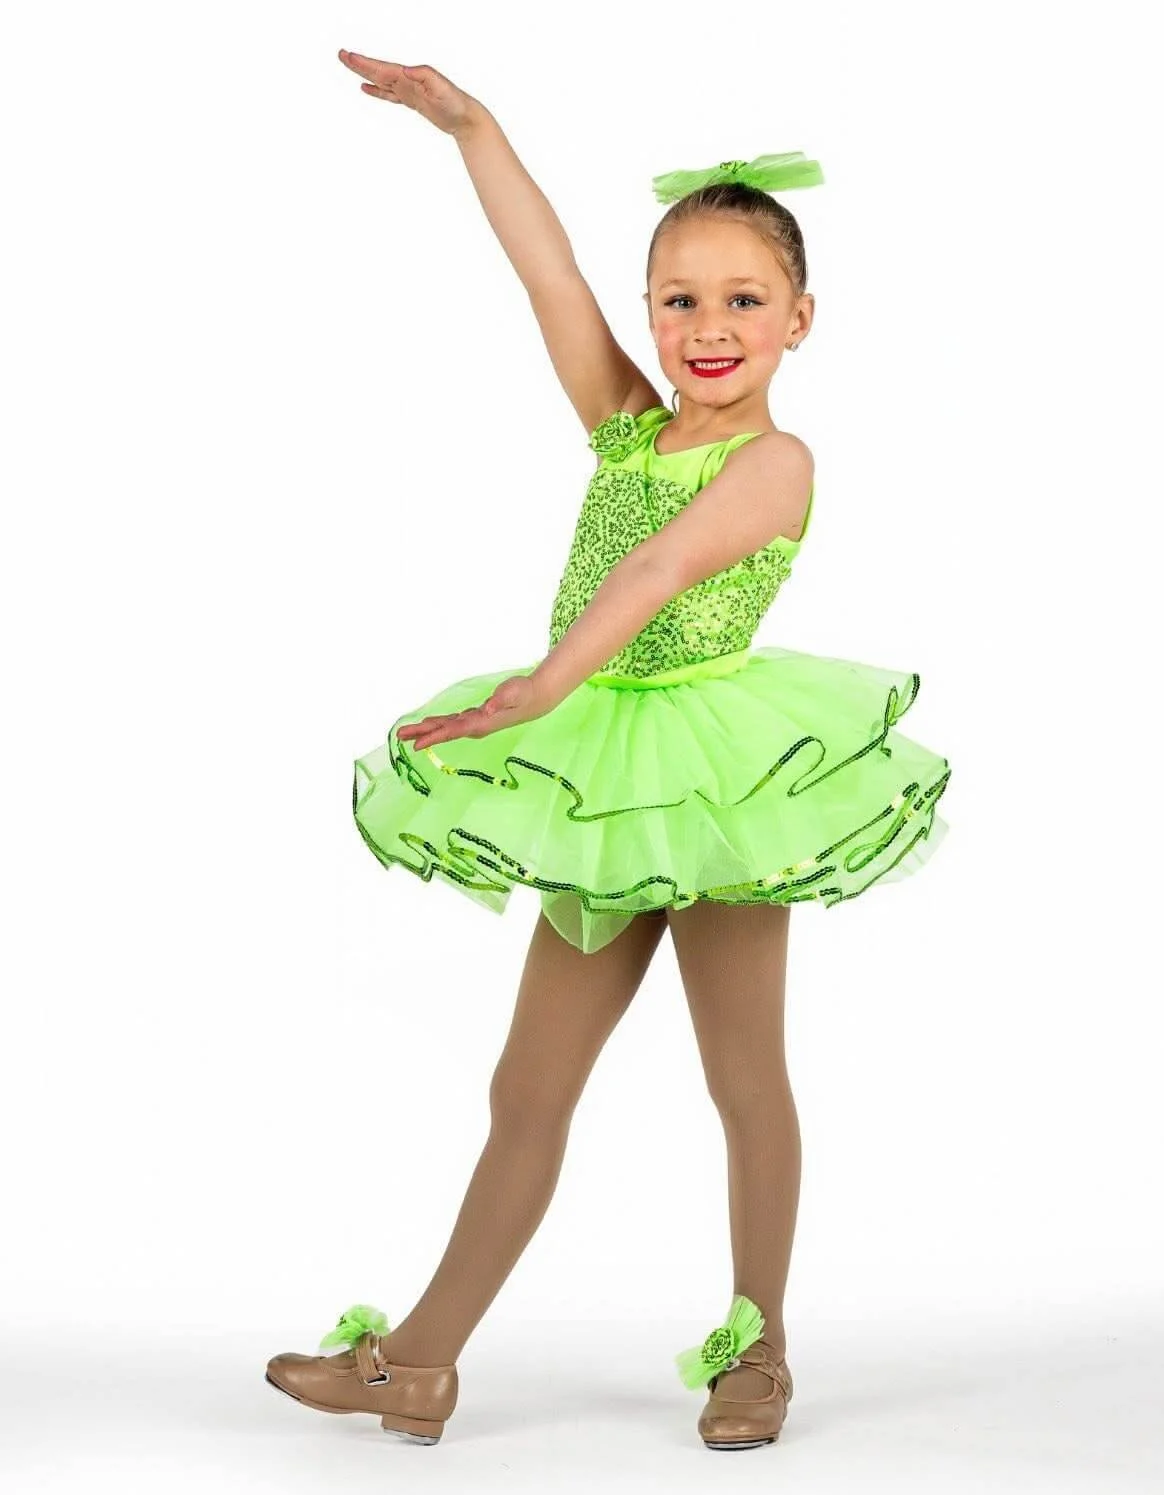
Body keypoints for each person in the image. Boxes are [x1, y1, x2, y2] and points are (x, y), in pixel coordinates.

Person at [265, 54, 952, 1451]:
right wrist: (473, 127)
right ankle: (421, 1361)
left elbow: (648, 579)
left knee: (742, 1076)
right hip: (602, 786)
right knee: (528, 1085)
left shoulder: (777, 465)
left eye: (743, 300)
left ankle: (758, 1347)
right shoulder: (628, 426)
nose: (708, 326)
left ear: (800, 318)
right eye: (680, 299)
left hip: (715, 783)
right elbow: (549, 280)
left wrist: (534, 689)